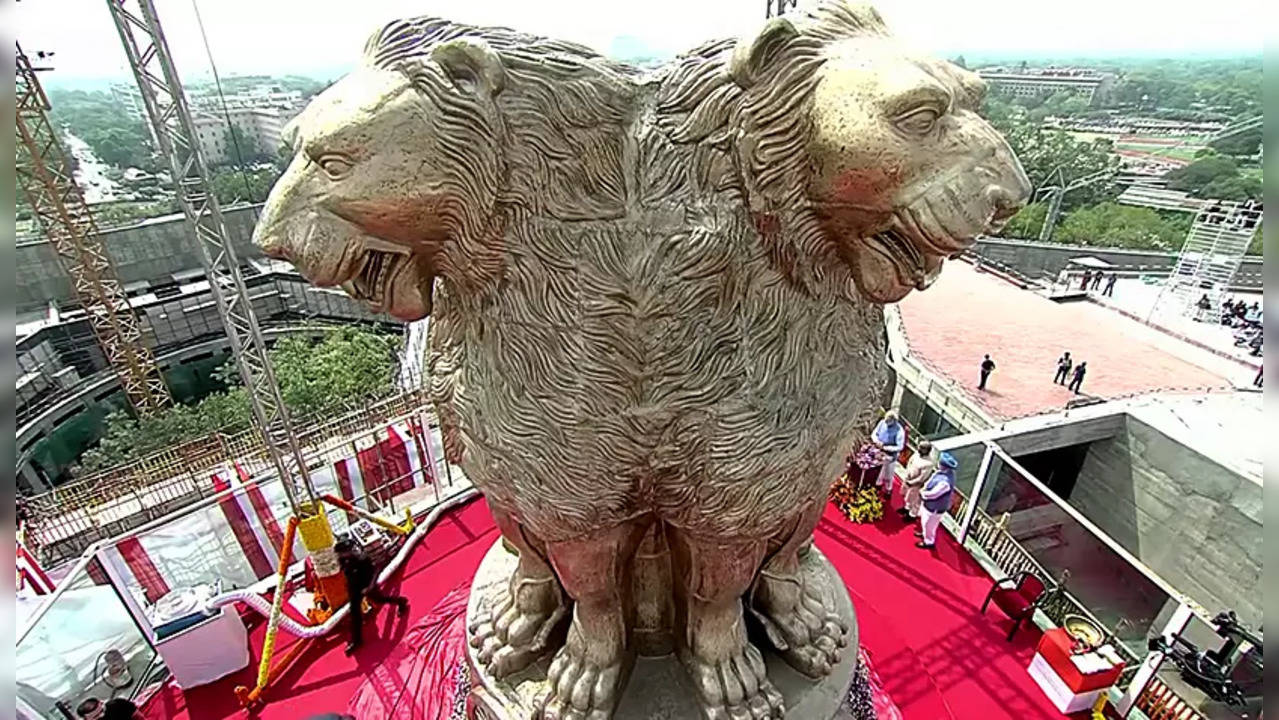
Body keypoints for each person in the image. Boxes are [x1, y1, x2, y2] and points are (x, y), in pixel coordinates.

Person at [336, 537, 409, 655]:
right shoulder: (343, 560)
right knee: (355, 615)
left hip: (366, 585)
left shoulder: (362, 559)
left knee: (379, 599)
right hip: (354, 589)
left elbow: (375, 570)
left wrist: (369, 587)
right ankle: (357, 641)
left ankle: (401, 601)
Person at [915, 451, 957, 550]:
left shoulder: (945, 482)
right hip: (930, 504)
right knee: (925, 522)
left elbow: (934, 494)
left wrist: (923, 494)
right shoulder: (943, 473)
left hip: (935, 507)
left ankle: (929, 541)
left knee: (929, 524)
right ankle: (925, 534)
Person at [898, 440, 937, 522]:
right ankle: (906, 508)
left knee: (915, 500)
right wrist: (907, 473)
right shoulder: (916, 454)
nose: (919, 449)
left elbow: (922, 477)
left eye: (922, 448)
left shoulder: (929, 463)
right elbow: (910, 462)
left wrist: (912, 482)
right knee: (908, 496)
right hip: (909, 478)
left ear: (927, 450)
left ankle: (912, 515)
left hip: (917, 484)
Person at [871, 410, 906, 497]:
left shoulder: (899, 431)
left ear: (894, 421)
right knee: (878, 473)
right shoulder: (882, 423)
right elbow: (874, 434)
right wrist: (877, 441)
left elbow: (900, 446)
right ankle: (876, 487)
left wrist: (886, 448)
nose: (886, 423)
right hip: (878, 452)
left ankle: (888, 489)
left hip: (890, 456)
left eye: (888, 421)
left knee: (888, 475)